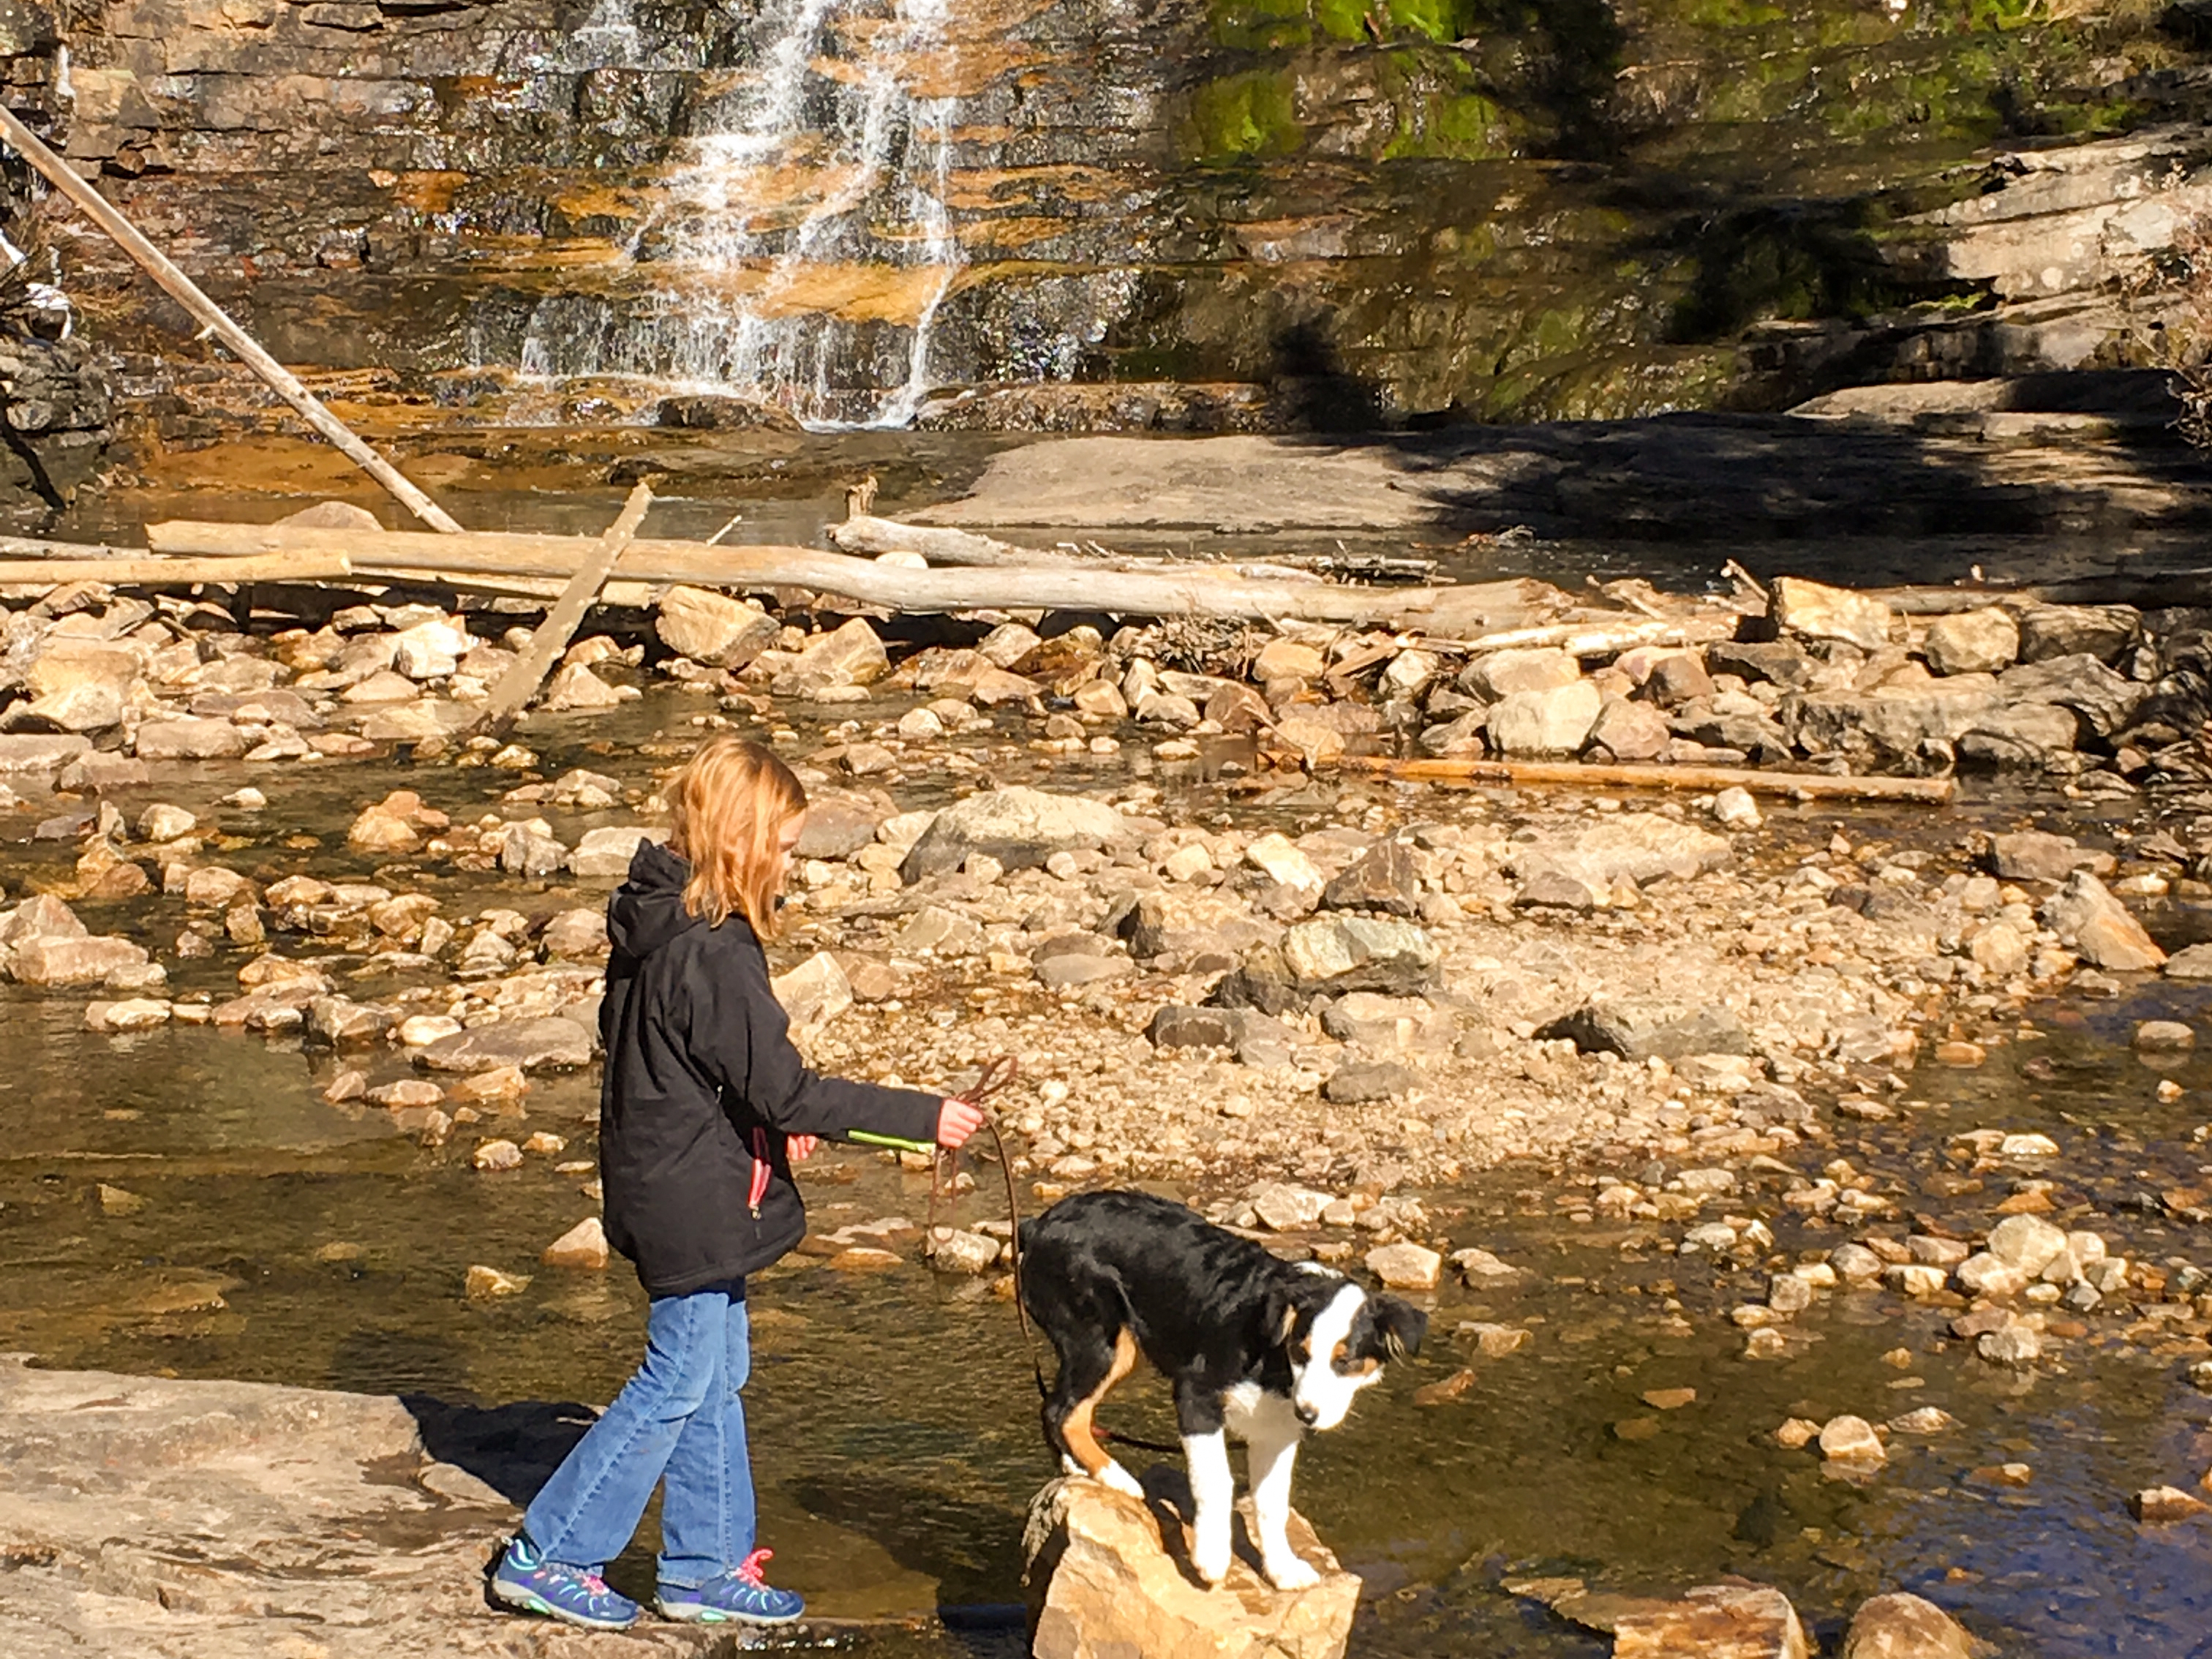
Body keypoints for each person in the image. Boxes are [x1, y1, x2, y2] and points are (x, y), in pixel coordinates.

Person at [492, 735, 985, 1630]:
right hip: (689, 1192)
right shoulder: (714, 949)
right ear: (742, 840)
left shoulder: (653, 916)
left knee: (718, 1374)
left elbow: (674, 1057)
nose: (793, 862)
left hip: (668, 1171)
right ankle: (550, 1553)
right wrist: (924, 1118)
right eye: (786, 846)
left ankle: (705, 1566)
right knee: (677, 1377)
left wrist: (761, 1126)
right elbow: (785, 1087)